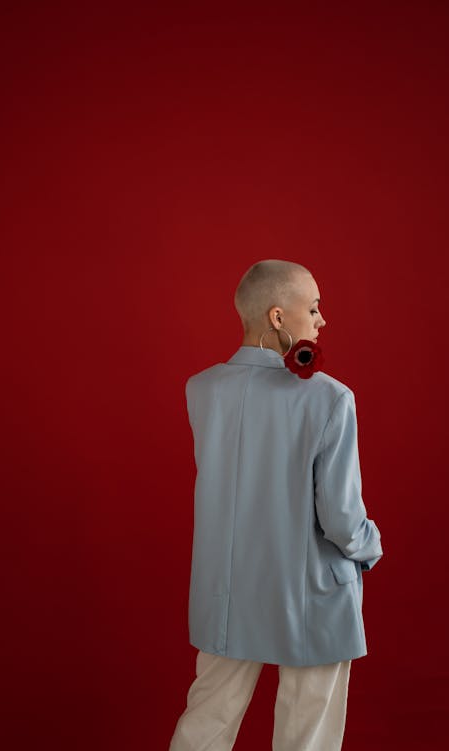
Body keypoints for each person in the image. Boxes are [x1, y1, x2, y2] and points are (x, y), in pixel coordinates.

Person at [169, 259, 383, 751]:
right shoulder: (330, 398)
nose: (321, 319)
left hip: (226, 590)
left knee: (207, 719)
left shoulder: (202, 390)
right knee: (306, 734)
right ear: (278, 317)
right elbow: (341, 518)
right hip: (309, 590)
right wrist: (369, 544)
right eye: (313, 307)